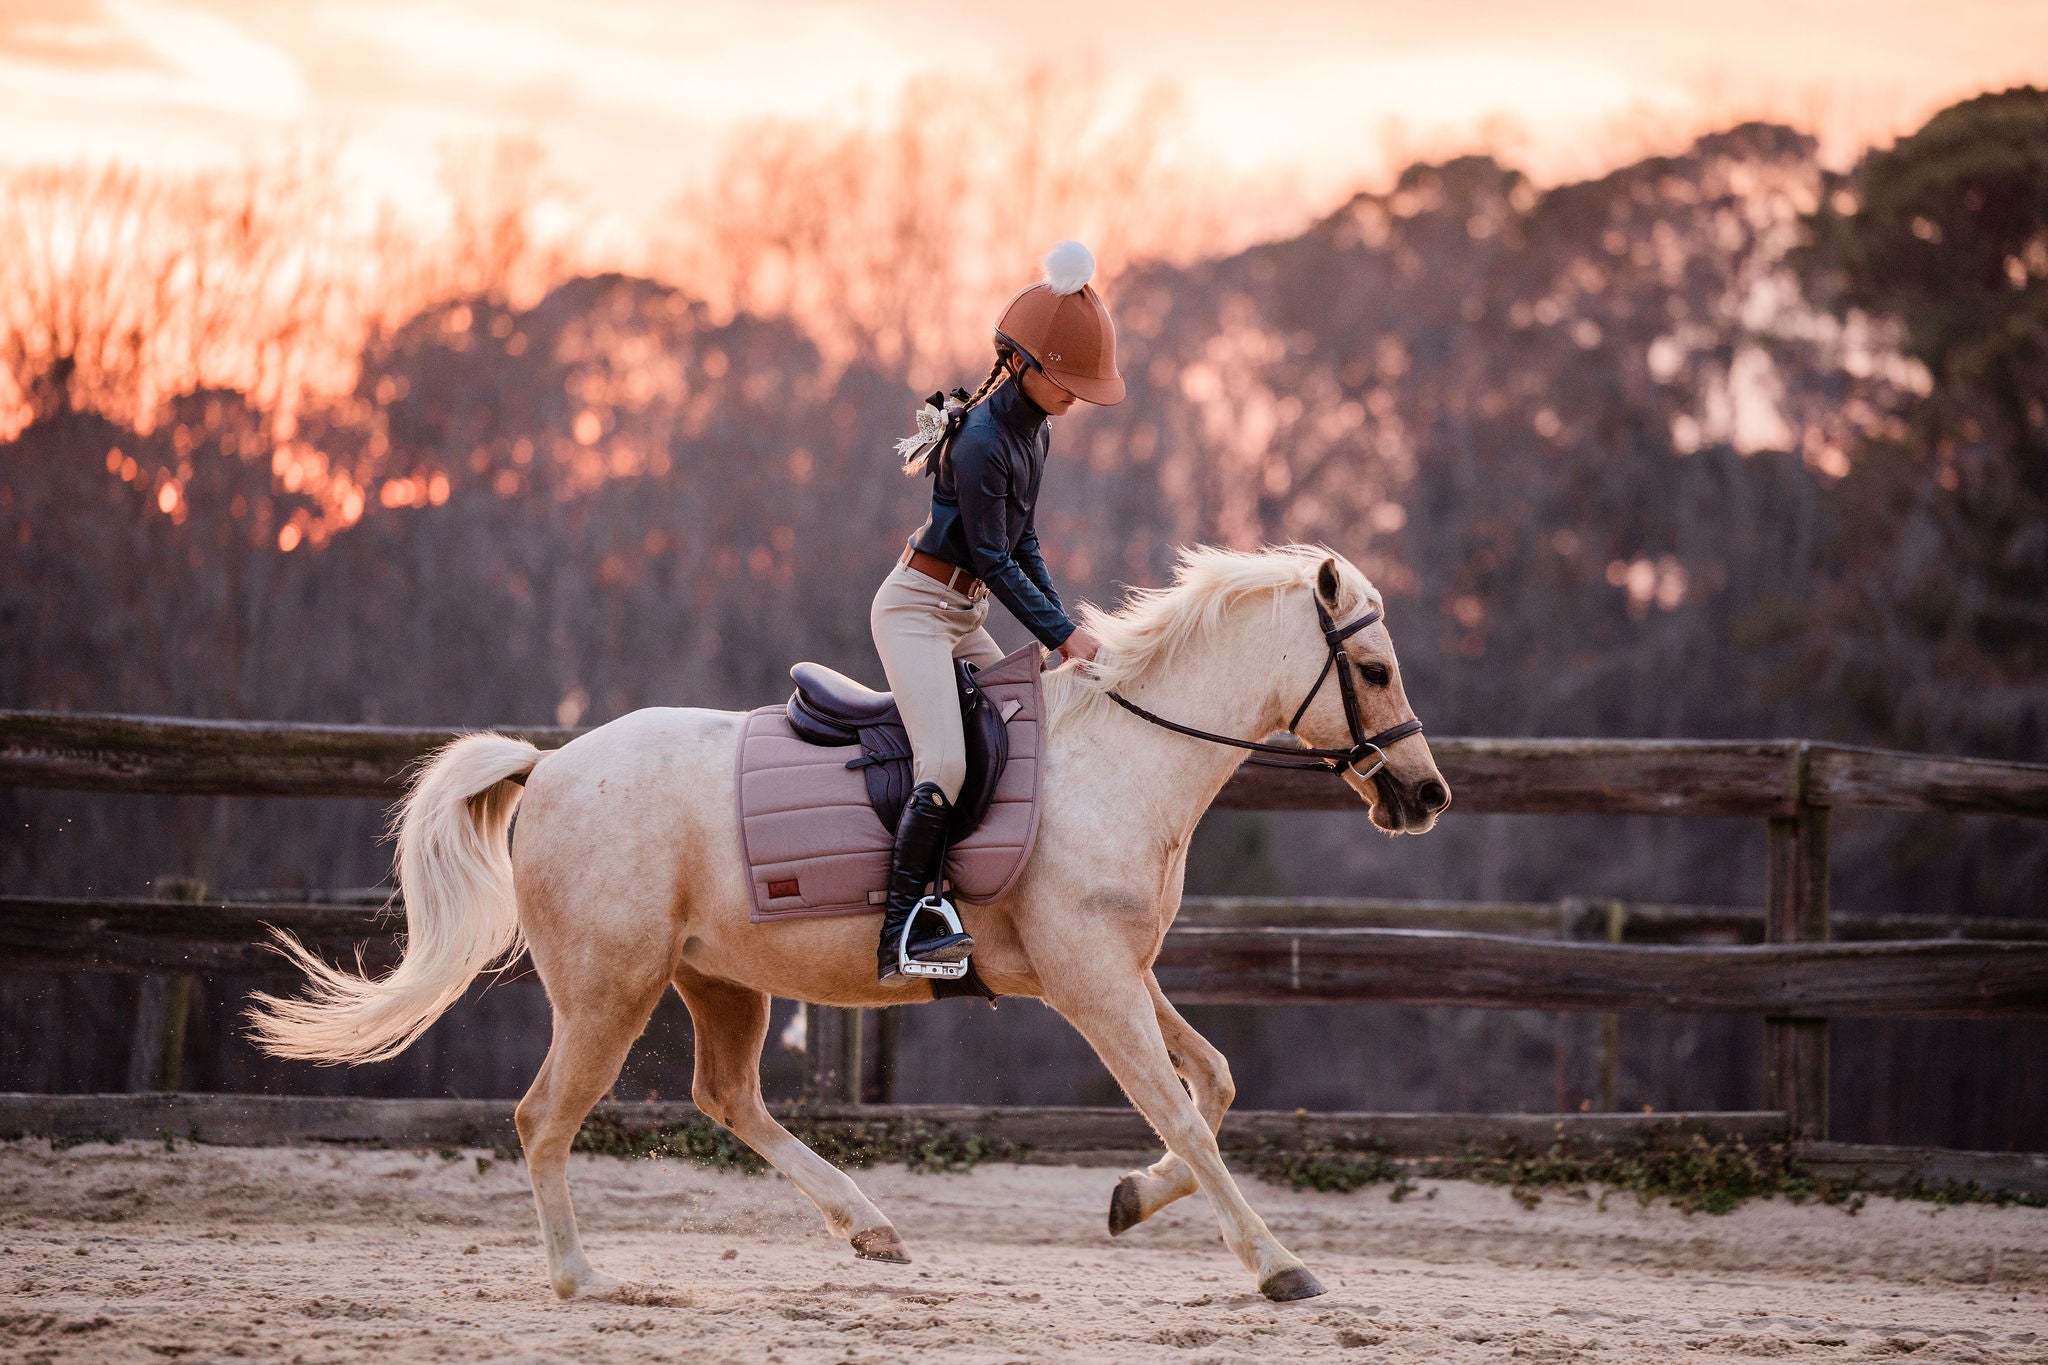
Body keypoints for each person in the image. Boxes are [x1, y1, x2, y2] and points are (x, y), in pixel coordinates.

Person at [869, 240, 1124, 981]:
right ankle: (903, 930)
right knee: (945, 759)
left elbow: (1026, 540)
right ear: (1019, 362)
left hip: (964, 615)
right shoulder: (981, 442)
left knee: (1032, 724)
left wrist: (1063, 630)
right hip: (918, 612)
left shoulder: (1033, 432)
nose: (1076, 393)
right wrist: (1062, 633)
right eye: (1065, 377)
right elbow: (990, 559)